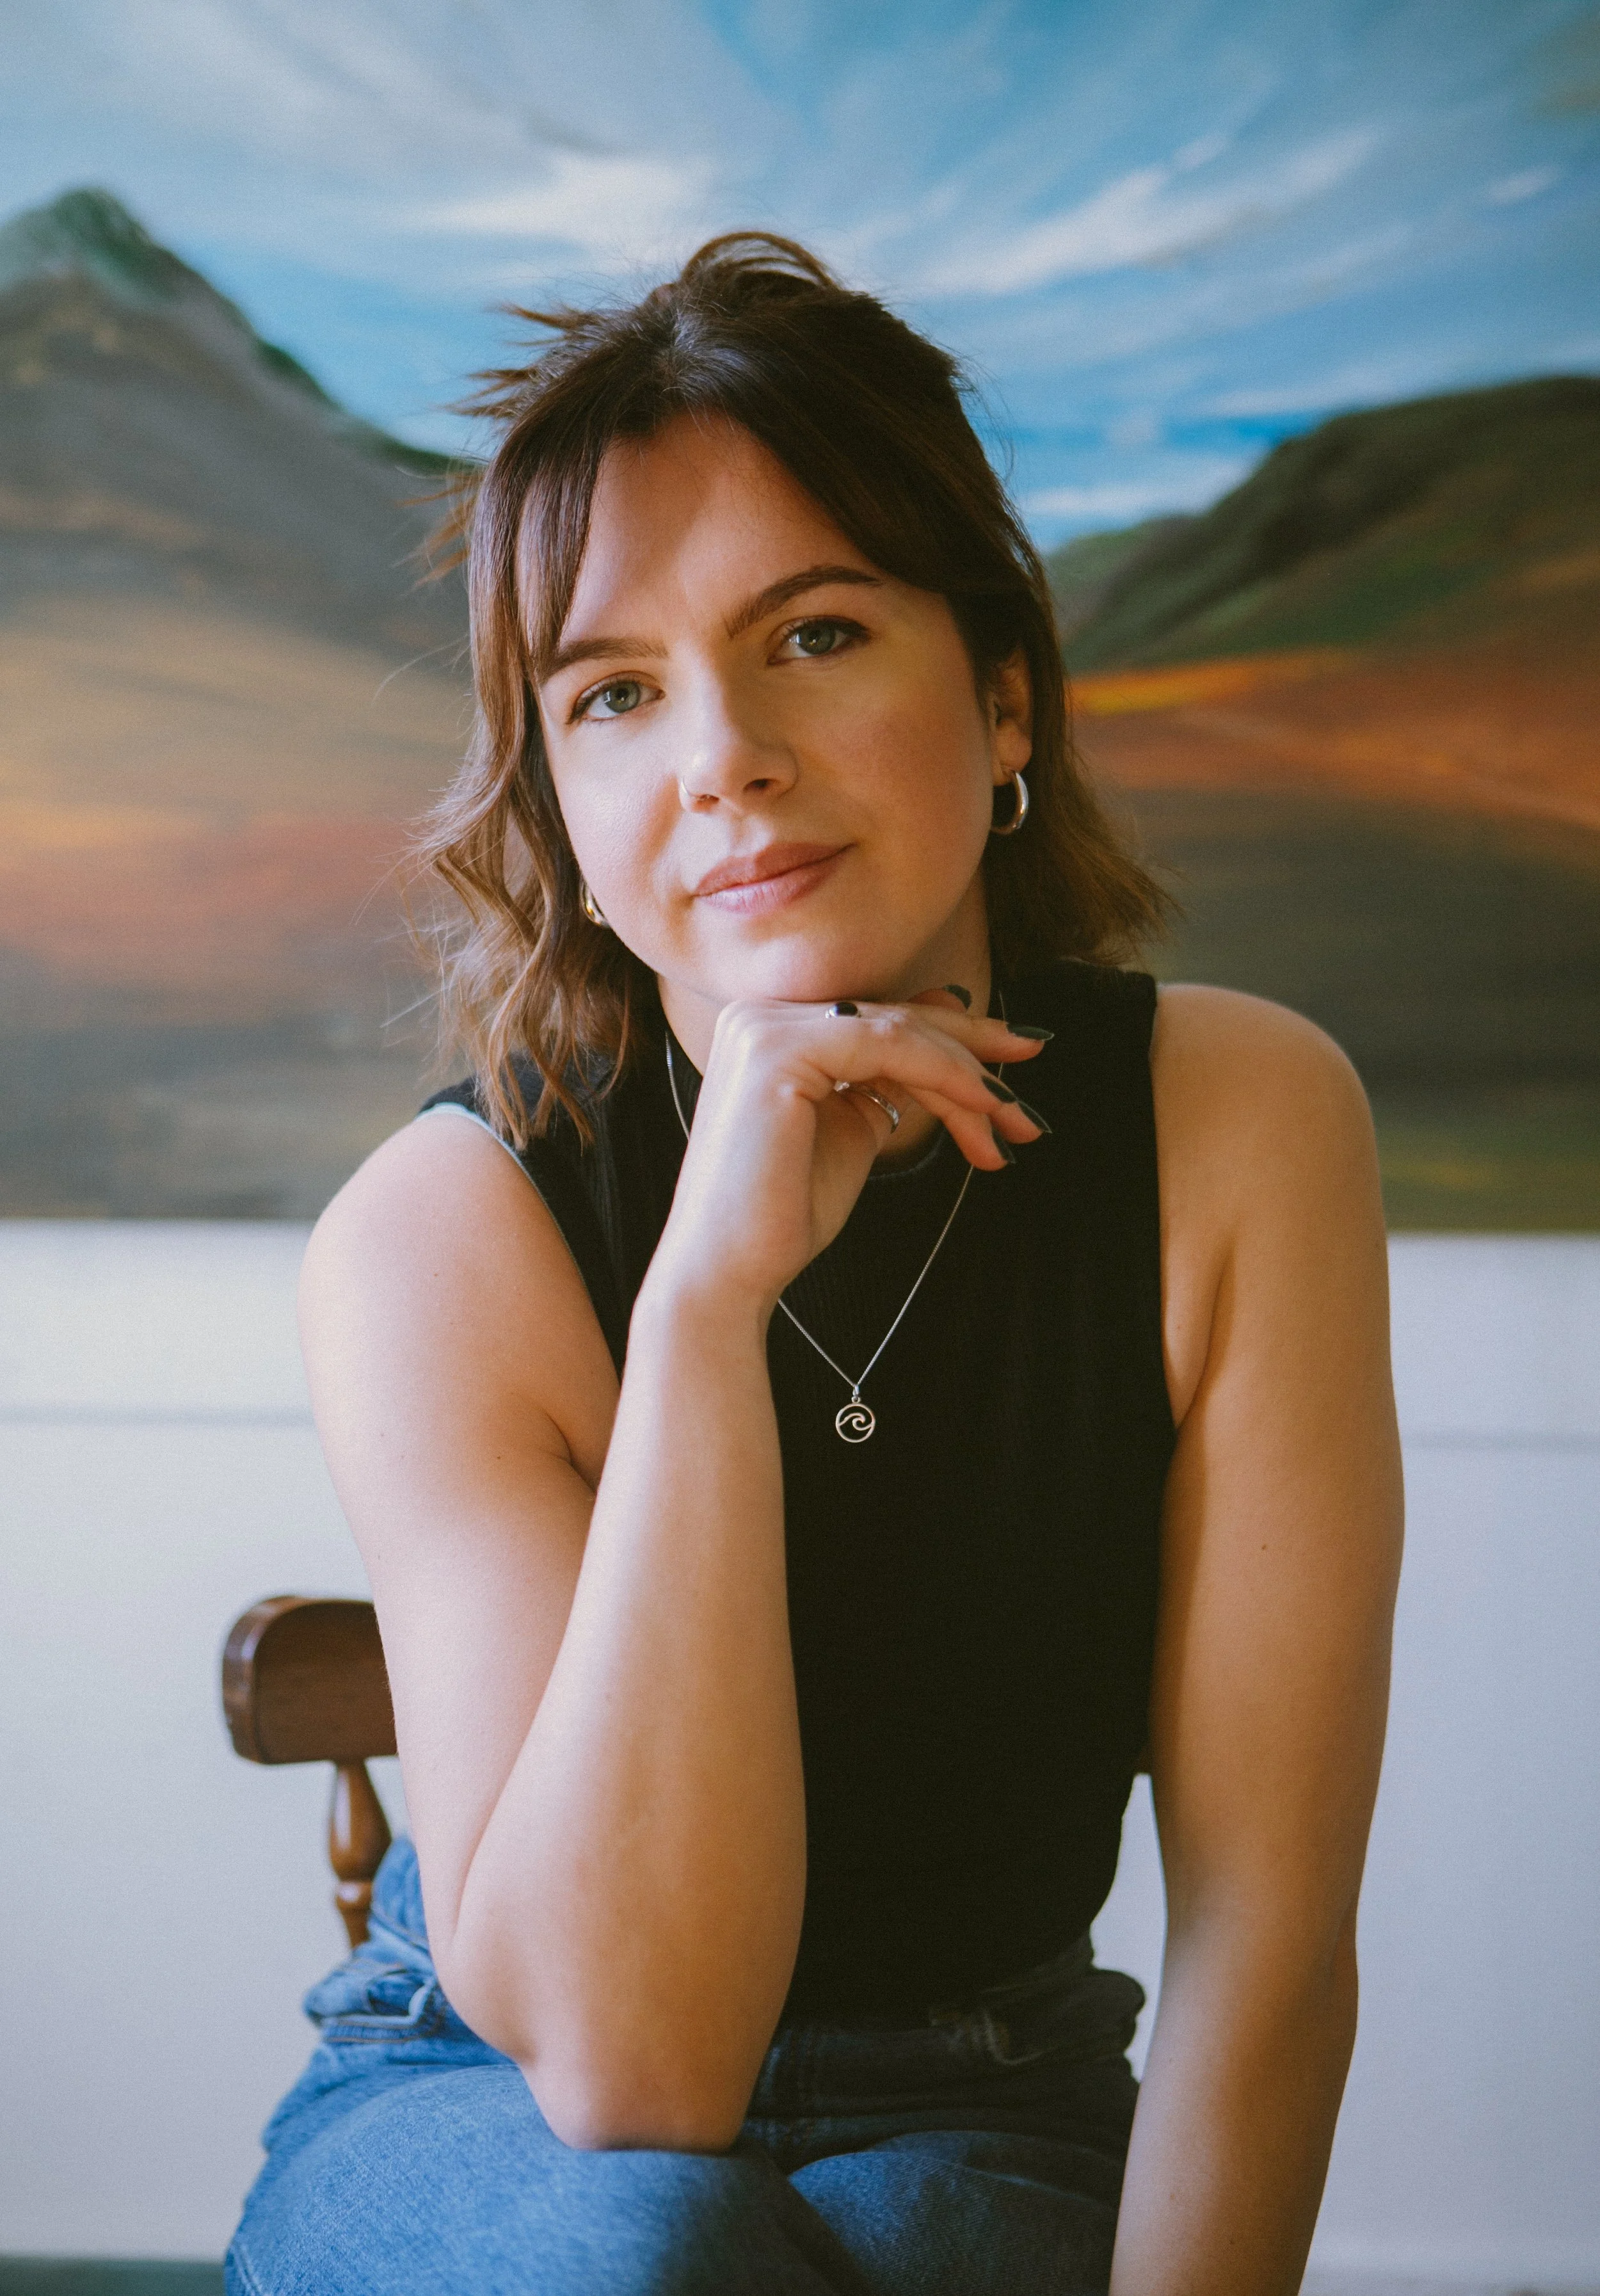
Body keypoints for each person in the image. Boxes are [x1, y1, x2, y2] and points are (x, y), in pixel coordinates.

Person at [226, 234, 1403, 2296]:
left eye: (819, 632)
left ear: (1003, 685)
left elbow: (1267, 1943)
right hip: (484, 2092)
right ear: (562, 806)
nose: (724, 757)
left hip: (990, 2084)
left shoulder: (1239, 1125)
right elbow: (630, 2070)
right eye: (613, 693)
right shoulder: (437, 1237)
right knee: (647, 2255)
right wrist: (700, 1302)